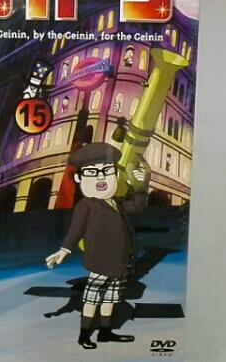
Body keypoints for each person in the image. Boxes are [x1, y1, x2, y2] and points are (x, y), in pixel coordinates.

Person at [46, 142, 148, 349]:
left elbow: (138, 206)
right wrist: (64, 249)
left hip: (120, 261)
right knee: (92, 299)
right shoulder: (87, 205)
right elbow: (76, 229)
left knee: (110, 298)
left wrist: (140, 187)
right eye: (92, 172)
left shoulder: (117, 202)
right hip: (100, 262)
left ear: (116, 175)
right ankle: (84, 335)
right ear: (79, 178)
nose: (101, 178)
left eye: (106, 171)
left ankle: (105, 333)